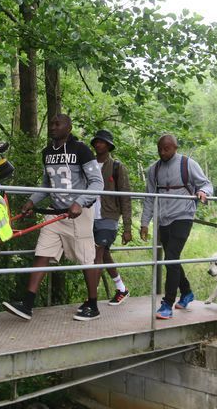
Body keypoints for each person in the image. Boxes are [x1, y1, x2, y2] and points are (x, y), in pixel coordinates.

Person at [2, 114, 103, 321]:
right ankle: (27, 304)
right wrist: (32, 201)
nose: (53, 127)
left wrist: (80, 202)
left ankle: (93, 304)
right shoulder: (47, 152)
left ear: (69, 127)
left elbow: (97, 182)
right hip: (55, 213)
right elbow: (47, 185)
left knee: (86, 259)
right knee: (42, 252)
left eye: (58, 124)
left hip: (79, 214)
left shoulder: (81, 150)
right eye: (51, 124)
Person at [140, 134, 212, 320]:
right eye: (160, 149)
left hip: (183, 216)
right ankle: (186, 292)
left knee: (170, 258)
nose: (163, 153)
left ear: (175, 147)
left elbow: (205, 183)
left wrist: (203, 192)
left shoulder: (187, 164)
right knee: (173, 258)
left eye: (166, 149)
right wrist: (144, 223)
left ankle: (167, 303)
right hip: (163, 218)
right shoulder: (154, 169)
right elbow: (149, 197)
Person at [89, 129, 132, 306]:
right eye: (96, 141)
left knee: (97, 254)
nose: (98, 144)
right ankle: (121, 289)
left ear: (108, 145)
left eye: (102, 142)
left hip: (109, 217)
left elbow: (125, 196)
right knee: (104, 253)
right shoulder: (89, 165)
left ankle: (91, 299)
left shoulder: (116, 166)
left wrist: (127, 228)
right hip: (90, 216)